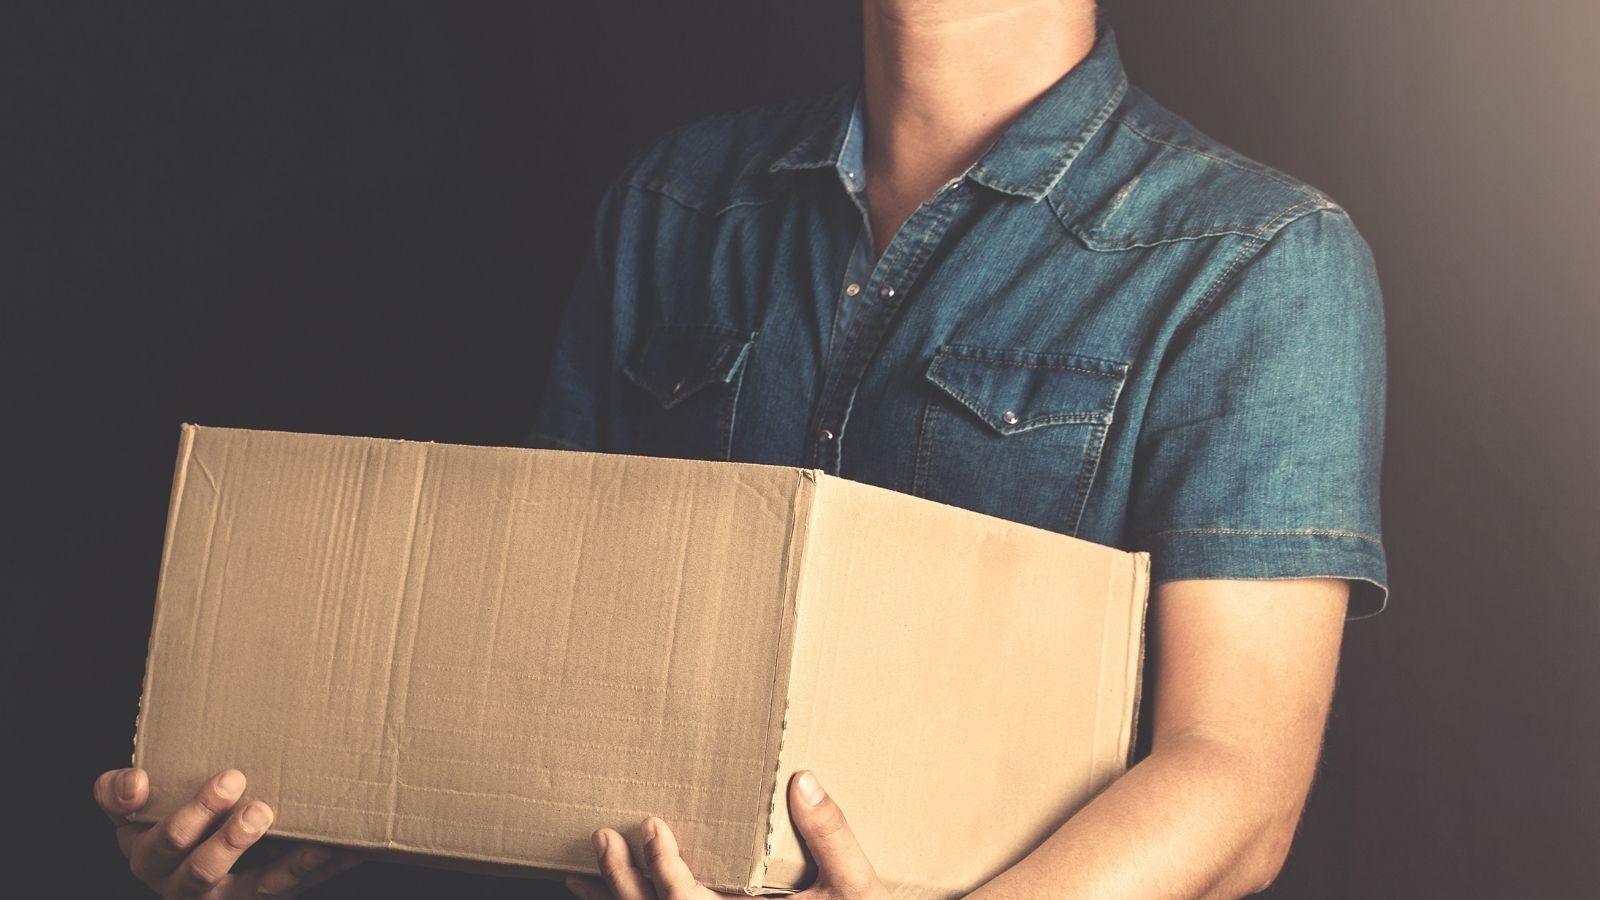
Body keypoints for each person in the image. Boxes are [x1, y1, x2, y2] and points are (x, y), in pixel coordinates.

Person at [95, 2, 1388, 898]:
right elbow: (524, 661)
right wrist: (292, 824)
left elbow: (1237, 785)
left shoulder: (1256, 259)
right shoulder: (677, 202)